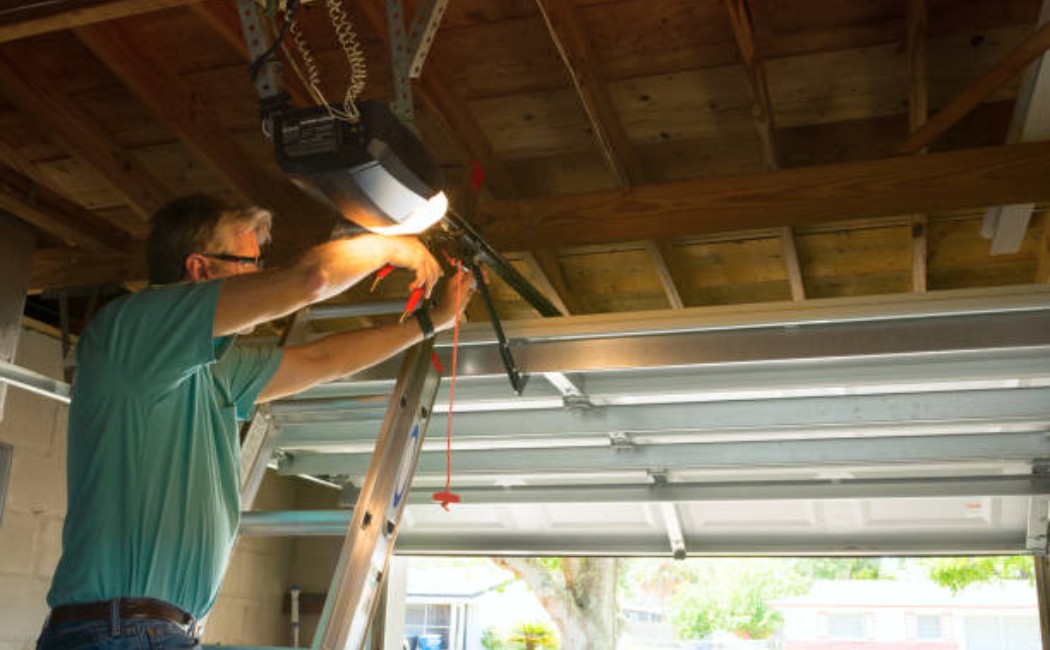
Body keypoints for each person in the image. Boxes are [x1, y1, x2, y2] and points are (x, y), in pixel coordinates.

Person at [37, 194, 472, 650]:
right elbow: (311, 278)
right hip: (119, 631)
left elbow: (322, 359)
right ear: (201, 269)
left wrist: (429, 323)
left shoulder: (213, 368)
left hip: (145, 631)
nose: (260, 276)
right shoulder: (132, 334)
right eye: (250, 262)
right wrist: (391, 246)